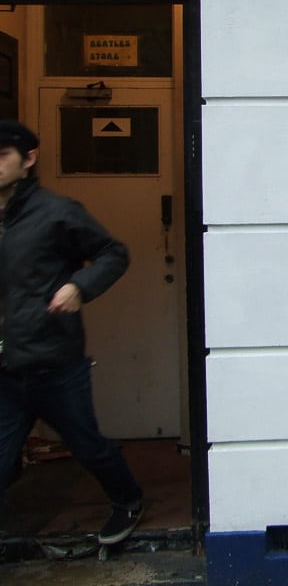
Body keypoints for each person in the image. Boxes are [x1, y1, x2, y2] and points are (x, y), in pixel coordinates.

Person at [0, 120, 143, 545]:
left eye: (2, 155)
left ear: (28, 159)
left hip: (55, 362)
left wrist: (79, 287)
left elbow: (113, 253)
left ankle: (128, 500)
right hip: (6, 367)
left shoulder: (56, 213)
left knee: (88, 446)